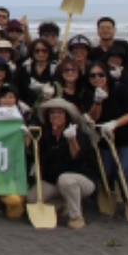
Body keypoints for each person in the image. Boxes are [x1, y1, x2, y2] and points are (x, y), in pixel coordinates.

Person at [26, 98, 95, 229]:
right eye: (52, 113)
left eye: (59, 113)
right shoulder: (44, 134)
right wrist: (28, 142)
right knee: (32, 198)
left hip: (80, 179)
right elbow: (34, 156)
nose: (55, 115)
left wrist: (71, 139)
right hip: (54, 181)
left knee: (66, 180)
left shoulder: (77, 133)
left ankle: (76, 216)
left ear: (66, 116)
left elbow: (78, 159)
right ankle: (62, 205)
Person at [85, 62, 128, 201]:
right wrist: (98, 102)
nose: (97, 78)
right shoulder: (88, 93)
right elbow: (94, 118)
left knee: (123, 171)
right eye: (92, 76)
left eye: (101, 75)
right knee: (107, 172)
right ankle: (110, 198)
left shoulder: (119, 89)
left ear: (107, 75)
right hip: (105, 139)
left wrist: (115, 124)